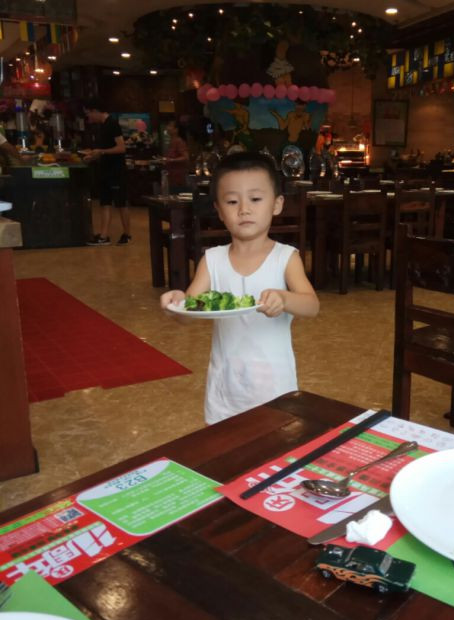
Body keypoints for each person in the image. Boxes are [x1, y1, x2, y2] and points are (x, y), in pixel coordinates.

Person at [160, 152, 319, 424]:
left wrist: (285, 299)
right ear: (219, 211)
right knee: (226, 444)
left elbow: (312, 305)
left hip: (275, 385)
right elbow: (190, 310)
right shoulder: (212, 260)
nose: (244, 209)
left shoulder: (285, 257)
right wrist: (176, 305)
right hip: (225, 388)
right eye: (232, 201)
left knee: (274, 441)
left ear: (277, 204)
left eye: (255, 199)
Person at [83, 98, 130, 246]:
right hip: (105, 170)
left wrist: (101, 152)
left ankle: (127, 234)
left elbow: (121, 148)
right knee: (105, 202)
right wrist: (93, 156)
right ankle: (104, 235)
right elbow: (103, 150)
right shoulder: (101, 126)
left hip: (116, 170)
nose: (88, 117)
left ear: (96, 111)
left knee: (121, 203)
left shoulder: (112, 124)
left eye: (89, 113)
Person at [162, 119, 189, 192]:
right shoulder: (171, 141)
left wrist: (171, 160)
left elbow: (186, 157)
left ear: (176, 130)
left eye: (170, 126)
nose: (167, 128)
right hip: (171, 176)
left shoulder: (179, 141)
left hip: (178, 176)